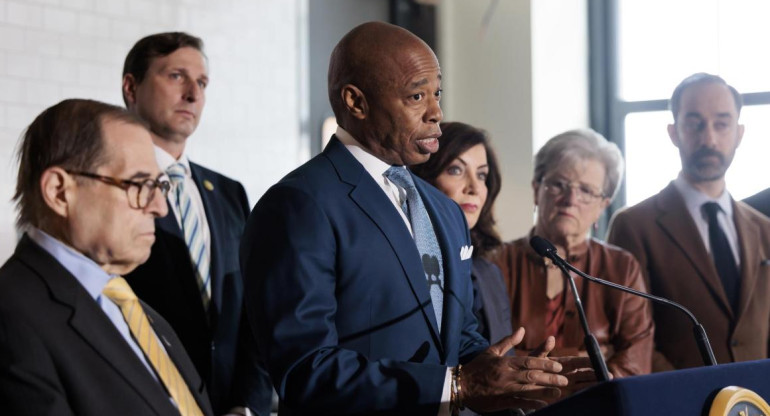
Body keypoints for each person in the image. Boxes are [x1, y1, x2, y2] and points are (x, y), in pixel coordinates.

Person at [240, 21, 592, 416]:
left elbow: (458, 334)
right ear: (356, 102)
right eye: (416, 95)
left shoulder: (444, 210)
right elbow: (306, 371)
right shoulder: (298, 205)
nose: (436, 111)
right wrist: (457, 385)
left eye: (437, 93)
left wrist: (508, 371)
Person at [0, 99, 214, 415]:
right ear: (60, 192)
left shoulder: (136, 310)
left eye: (160, 185)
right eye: (140, 184)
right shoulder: (11, 316)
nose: (160, 207)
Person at [121, 32, 270, 414]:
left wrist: (247, 404)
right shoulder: (111, 187)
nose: (193, 94)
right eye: (176, 76)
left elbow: (253, 313)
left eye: (201, 83)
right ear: (131, 87)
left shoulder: (228, 192)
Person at [608, 73, 770, 371]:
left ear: (739, 133)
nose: (709, 138)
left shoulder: (764, 230)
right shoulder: (634, 225)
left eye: (722, 124)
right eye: (695, 123)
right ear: (673, 132)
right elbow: (629, 338)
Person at [492, 128, 654, 379]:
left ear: (603, 206)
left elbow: (635, 365)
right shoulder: (497, 261)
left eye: (586, 191)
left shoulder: (622, 267)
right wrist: (589, 359)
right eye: (558, 185)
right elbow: (488, 357)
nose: (570, 200)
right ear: (536, 190)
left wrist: (527, 357)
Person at [410, 121, 513, 346]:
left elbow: (502, 356)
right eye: (456, 170)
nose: (474, 188)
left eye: (482, 175)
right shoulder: (408, 263)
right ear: (425, 178)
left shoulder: (490, 272)